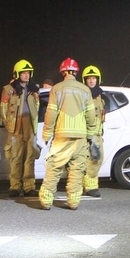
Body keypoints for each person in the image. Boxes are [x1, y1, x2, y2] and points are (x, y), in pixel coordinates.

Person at [38, 58, 96, 211]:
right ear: (76, 72)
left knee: (54, 168)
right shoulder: (85, 90)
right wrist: (91, 134)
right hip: (80, 137)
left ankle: (46, 201)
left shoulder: (56, 89)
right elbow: (91, 115)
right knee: (77, 170)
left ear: (62, 72)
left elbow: (50, 114)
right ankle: (73, 202)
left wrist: (46, 135)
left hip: (61, 136)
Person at [0, 59, 41, 197]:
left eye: (28, 73)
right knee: (15, 156)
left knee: (30, 156)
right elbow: (3, 109)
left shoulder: (34, 90)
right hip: (15, 126)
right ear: (17, 73)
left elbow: (38, 108)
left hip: (29, 125)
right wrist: (8, 124)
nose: (26, 75)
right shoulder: (8, 90)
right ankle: (15, 186)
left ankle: (29, 187)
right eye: (23, 73)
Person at [81, 65, 106, 197]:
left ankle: (90, 185)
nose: (91, 81)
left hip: (97, 133)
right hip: (85, 133)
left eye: (93, 78)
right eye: (89, 78)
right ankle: (85, 186)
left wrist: (101, 132)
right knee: (86, 160)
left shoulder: (100, 95)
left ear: (98, 79)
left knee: (97, 158)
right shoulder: (82, 95)